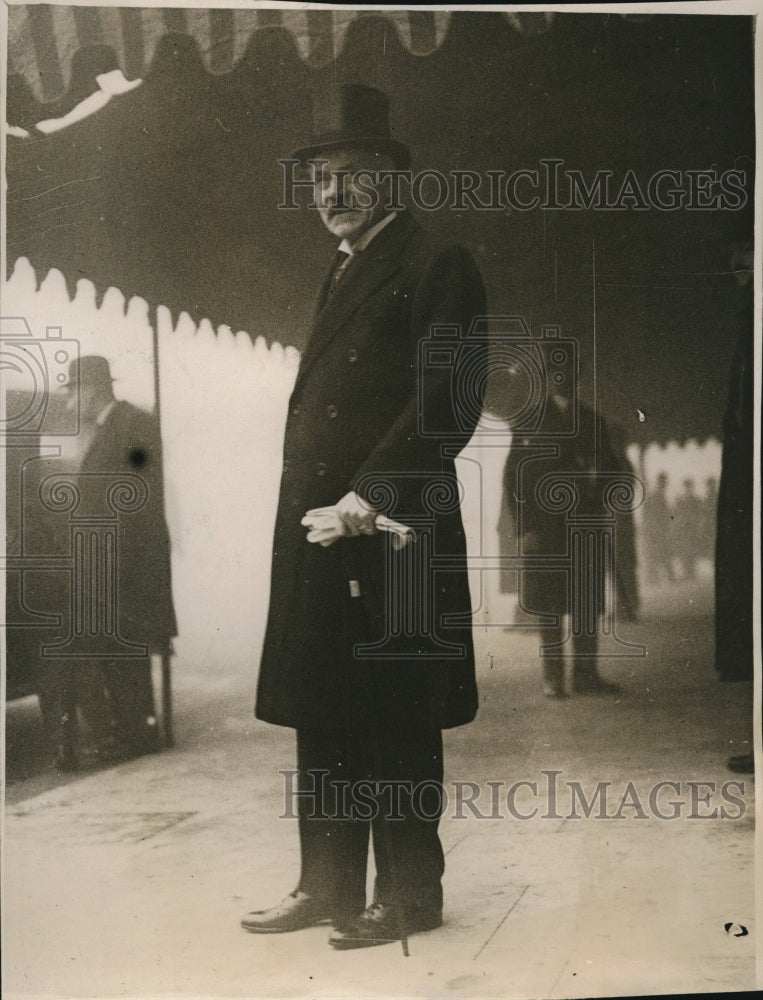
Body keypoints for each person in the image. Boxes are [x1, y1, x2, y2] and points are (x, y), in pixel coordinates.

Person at [242, 84, 486, 949]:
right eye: (318, 180)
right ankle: (327, 883)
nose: (331, 194)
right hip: (323, 530)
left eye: (350, 175)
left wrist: (366, 498)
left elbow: (446, 400)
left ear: (391, 178)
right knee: (326, 709)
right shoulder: (345, 266)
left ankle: (410, 895)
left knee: (395, 715)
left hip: (392, 535)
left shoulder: (435, 263)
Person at [47, 355, 177, 766]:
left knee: (125, 653)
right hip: (111, 565)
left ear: (92, 391)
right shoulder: (109, 428)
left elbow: (138, 494)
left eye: (72, 395)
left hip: (127, 566)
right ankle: (133, 737)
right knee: (116, 653)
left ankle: (138, 739)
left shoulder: (134, 425)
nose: (69, 406)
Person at [502, 378, 623, 699]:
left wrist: (602, 483)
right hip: (544, 528)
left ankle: (585, 675)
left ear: (576, 376)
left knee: (585, 602)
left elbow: (614, 467)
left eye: (569, 370)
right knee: (549, 604)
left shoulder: (592, 421)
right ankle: (553, 678)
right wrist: (524, 527)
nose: (563, 378)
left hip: (585, 524)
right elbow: (513, 477)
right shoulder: (528, 421)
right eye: (556, 370)